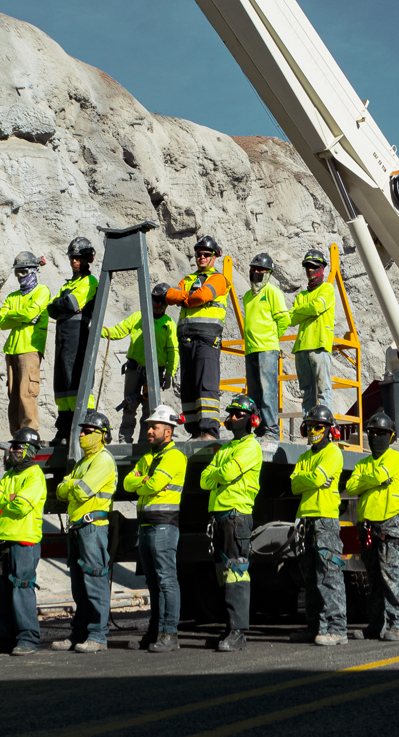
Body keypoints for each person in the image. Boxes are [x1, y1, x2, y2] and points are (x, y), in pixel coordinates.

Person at [201, 395, 263, 651]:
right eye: (231, 413)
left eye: (239, 414)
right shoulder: (226, 449)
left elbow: (224, 473)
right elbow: (205, 480)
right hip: (220, 518)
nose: (233, 417)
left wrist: (218, 474)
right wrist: (219, 474)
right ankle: (230, 628)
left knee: (236, 573)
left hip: (236, 518)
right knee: (223, 574)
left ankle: (238, 632)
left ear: (252, 420)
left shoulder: (251, 447)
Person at [52, 410, 116, 652]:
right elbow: (60, 491)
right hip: (78, 529)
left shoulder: (103, 460)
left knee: (95, 582)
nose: (82, 435)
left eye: (88, 432)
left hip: (93, 528)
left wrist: (72, 485)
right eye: (82, 431)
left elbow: (81, 491)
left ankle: (98, 636)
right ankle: (79, 633)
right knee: (79, 586)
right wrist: (72, 484)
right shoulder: (83, 463)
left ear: (102, 435)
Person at [125, 404, 186, 653]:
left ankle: (169, 634)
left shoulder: (174, 456)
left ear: (168, 432)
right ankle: (155, 632)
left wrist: (145, 482)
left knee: (166, 581)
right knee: (153, 582)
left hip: (163, 525)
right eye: (149, 427)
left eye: (154, 427)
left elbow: (157, 483)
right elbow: (129, 483)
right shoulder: (148, 457)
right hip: (147, 525)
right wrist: (144, 482)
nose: (149, 431)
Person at [0, 427, 49, 655]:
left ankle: (28, 640)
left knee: (22, 591)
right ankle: (5, 640)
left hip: (24, 542)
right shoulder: (9, 476)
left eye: (18, 447)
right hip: (4, 544)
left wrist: (6, 499)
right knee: (3, 592)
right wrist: (9, 497)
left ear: (30, 451)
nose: (13, 451)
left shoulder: (35, 476)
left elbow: (22, 505)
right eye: (13, 447)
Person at [345, 411, 399, 642]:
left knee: (391, 577)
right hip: (368, 526)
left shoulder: (393, 457)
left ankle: (397, 624)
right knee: (373, 579)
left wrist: (367, 480)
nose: (375, 437)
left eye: (381, 433)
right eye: (372, 433)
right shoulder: (363, 463)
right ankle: (375, 624)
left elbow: (380, 474)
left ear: (390, 436)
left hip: (387, 524)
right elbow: (351, 486)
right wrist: (374, 478)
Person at [289, 405, 347, 646]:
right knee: (311, 578)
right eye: (310, 427)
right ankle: (315, 628)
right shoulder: (305, 457)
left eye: (318, 427)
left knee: (329, 576)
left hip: (325, 521)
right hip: (306, 521)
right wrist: (309, 479)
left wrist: (308, 479)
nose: (313, 431)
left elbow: (315, 478)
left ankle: (338, 629)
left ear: (328, 430)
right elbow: (294, 485)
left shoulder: (333, 454)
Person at [166, 236, 232, 437]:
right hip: (186, 338)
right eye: (199, 254)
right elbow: (170, 296)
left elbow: (203, 296)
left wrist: (185, 299)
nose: (201, 257)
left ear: (215, 256)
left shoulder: (219, 279)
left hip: (207, 338)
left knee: (206, 385)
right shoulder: (187, 279)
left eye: (206, 254)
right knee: (189, 387)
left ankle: (209, 431)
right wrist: (189, 298)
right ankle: (194, 431)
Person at [104, 283, 179, 441]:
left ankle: (145, 442)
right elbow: (119, 331)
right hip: (134, 370)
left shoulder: (169, 324)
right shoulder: (138, 317)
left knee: (150, 411)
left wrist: (169, 375)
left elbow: (173, 352)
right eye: (155, 299)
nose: (158, 304)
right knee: (129, 406)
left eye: (162, 301)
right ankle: (125, 439)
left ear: (167, 303)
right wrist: (100, 330)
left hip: (155, 374)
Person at [50, 237, 100, 447]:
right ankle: (64, 430)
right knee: (62, 385)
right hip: (63, 336)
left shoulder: (90, 282)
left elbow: (71, 303)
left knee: (78, 381)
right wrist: (60, 304)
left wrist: (61, 303)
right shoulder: (70, 284)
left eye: (79, 258)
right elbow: (52, 309)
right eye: (73, 258)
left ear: (88, 259)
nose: (75, 262)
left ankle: (82, 428)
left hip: (78, 335)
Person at [0, 251, 52, 435]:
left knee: (26, 393)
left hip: (30, 348)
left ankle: (30, 433)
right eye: (17, 272)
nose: (19, 276)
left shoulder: (42, 291)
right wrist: (22, 317)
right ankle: (16, 435)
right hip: (12, 349)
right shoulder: (12, 296)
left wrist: (16, 316)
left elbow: (30, 314)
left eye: (23, 272)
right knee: (13, 395)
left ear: (32, 271)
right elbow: (2, 321)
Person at [239, 253, 289, 437]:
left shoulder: (273, 292)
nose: (256, 272)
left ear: (268, 273)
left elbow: (284, 319)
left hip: (267, 349)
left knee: (268, 392)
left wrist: (271, 337)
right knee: (254, 394)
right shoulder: (247, 296)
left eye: (261, 270)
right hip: (251, 349)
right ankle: (259, 429)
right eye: (254, 269)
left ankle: (271, 430)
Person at [288, 249, 337, 413]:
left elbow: (317, 307)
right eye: (308, 267)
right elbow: (292, 319)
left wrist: (301, 311)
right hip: (302, 348)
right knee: (307, 392)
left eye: (314, 267)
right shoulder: (301, 295)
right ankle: (309, 427)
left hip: (319, 345)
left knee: (323, 389)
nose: (310, 271)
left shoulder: (327, 290)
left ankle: (325, 426)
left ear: (322, 268)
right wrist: (303, 312)